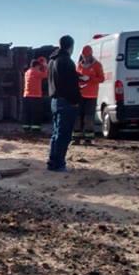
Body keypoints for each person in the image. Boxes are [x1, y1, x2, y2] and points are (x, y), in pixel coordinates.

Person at [47, 35, 81, 172]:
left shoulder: (52, 61)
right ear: (71, 46)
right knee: (64, 134)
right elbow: (69, 85)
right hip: (66, 101)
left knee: (56, 133)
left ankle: (53, 161)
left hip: (55, 100)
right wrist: (75, 101)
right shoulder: (66, 61)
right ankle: (58, 164)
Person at [75, 45, 105, 144]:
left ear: (91, 55)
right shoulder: (79, 65)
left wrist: (89, 79)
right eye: (83, 56)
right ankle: (76, 138)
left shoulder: (97, 65)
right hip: (80, 94)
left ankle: (88, 139)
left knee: (89, 117)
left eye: (87, 56)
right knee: (78, 117)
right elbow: (76, 76)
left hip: (91, 95)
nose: (85, 58)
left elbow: (101, 78)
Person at [21, 57, 48, 132]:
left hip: (26, 95)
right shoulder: (36, 72)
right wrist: (45, 65)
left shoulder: (27, 72)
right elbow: (46, 75)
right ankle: (36, 129)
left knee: (27, 113)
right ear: (37, 66)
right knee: (36, 113)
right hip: (35, 96)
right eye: (39, 66)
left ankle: (26, 128)